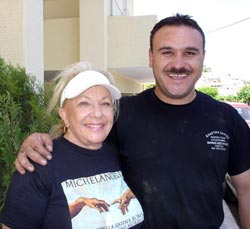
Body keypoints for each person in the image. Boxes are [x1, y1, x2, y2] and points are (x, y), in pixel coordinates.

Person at [13, 14, 250, 228]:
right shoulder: (121, 113)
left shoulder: (226, 118)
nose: (178, 64)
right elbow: (79, 143)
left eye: (190, 52)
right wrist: (38, 142)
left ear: (202, 57)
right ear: (151, 57)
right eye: (167, 52)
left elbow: (246, 190)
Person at [1, 62, 144, 229]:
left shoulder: (116, 154)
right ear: (64, 115)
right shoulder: (39, 164)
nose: (97, 113)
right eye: (84, 103)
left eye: (105, 103)